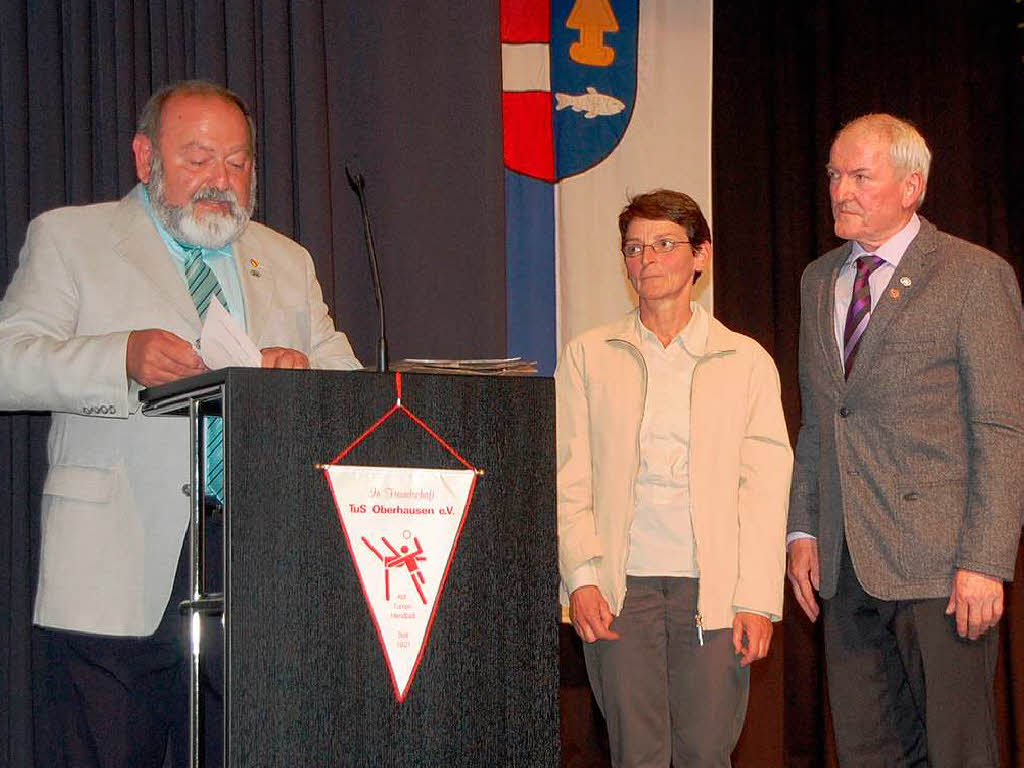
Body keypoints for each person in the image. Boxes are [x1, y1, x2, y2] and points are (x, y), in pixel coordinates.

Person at [0, 80, 361, 766]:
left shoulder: (287, 260)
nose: (219, 181)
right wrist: (120, 356)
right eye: (197, 159)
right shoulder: (72, 238)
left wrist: (302, 379)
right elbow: (8, 363)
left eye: (237, 161)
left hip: (258, 559)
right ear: (146, 159)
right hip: (118, 557)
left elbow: (348, 390)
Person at [787, 113, 1024, 766]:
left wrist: (986, 560)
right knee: (869, 752)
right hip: (845, 563)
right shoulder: (818, 280)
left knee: (957, 752)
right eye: (835, 174)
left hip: (944, 566)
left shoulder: (974, 276)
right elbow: (819, 419)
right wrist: (803, 528)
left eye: (861, 175)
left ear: (911, 187)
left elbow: (1002, 430)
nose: (841, 190)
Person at [556, 189, 792, 767]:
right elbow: (567, 476)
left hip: (713, 593)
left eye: (664, 244)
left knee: (706, 753)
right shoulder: (589, 355)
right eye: (634, 248)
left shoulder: (746, 361)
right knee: (636, 754)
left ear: (701, 255)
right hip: (619, 589)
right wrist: (581, 577)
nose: (647, 259)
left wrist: (757, 599)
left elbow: (764, 491)